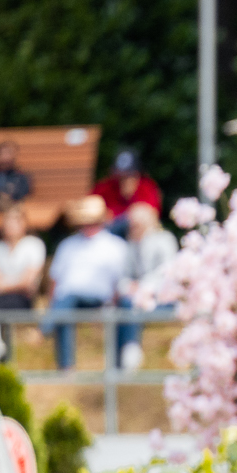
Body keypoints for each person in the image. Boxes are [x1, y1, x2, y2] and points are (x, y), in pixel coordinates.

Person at [44, 195, 133, 371]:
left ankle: (45, 328)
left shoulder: (116, 246)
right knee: (65, 306)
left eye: (91, 221)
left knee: (66, 301)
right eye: (84, 221)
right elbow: (55, 279)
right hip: (67, 301)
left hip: (101, 300)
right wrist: (51, 303)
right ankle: (66, 367)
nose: (87, 226)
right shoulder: (67, 245)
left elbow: (120, 282)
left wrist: (111, 305)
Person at [118, 201, 178, 369]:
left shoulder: (164, 240)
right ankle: (125, 356)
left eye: (137, 223)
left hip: (162, 299)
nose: (133, 227)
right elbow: (124, 277)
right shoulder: (130, 244)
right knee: (125, 305)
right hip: (137, 299)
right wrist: (129, 287)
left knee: (130, 306)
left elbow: (167, 272)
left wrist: (142, 287)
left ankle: (130, 355)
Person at [0, 206, 47, 312]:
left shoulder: (34, 245)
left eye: (15, 220)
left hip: (21, 299)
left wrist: (0, 286)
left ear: (24, 223)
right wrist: (14, 285)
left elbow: (28, 282)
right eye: (7, 220)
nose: (10, 224)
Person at [93, 149, 162, 235]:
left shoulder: (147, 188)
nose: (125, 181)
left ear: (137, 174)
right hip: (109, 234)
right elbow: (91, 212)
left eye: (129, 176)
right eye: (120, 176)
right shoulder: (105, 188)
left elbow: (153, 216)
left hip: (137, 237)